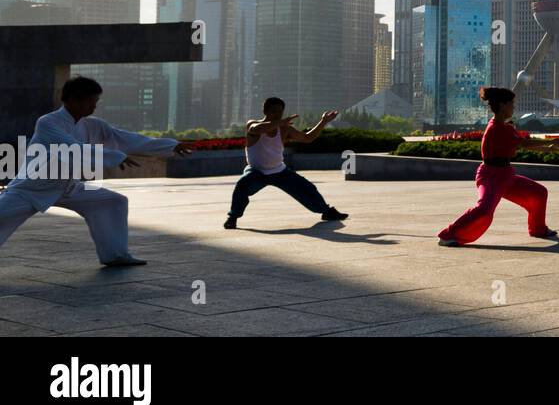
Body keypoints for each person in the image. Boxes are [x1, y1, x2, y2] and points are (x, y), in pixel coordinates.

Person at [0, 76, 193, 266]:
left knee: (113, 202)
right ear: (74, 100)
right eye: (91, 101)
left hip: (68, 187)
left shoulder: (94, 125)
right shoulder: (48, 122)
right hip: (31, 188)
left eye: (96, 101)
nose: (94, 106)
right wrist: (116, 156)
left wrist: (170, 145)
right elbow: (72, 148)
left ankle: (115, 255)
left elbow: (125, 138)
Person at [439, 86, 557, 245]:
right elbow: (526, 143)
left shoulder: (505, 127)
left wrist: (549, 147)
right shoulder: (497, 128)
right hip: (490, 177)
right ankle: (448, 235)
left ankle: (538, 229)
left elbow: (523, 144)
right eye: (511, 104)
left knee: (539, 193)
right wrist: (550, 143)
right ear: (502, 105)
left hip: (505, 176)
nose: (513, 108)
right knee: (484, 209)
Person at [224, 99, 348, 229]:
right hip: (256, 172)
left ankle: (326, 212)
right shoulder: (253, 124)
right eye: (273, 111)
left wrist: (323, 122)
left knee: (307, 188)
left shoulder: (284, 128)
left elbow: (307, 138)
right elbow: (257, 129)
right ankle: (232, 218)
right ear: (265, 111)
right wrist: (279, 123)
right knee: (242, 186)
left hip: (279, 171)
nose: (277, 114)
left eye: (280, 111)